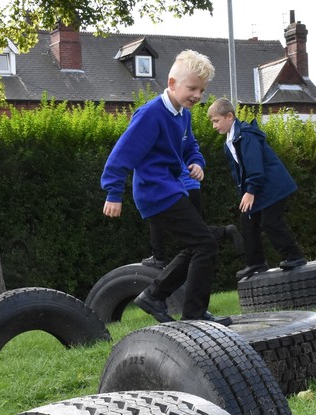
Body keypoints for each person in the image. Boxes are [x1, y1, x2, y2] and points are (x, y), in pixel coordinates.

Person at [101, 49, 231, 326]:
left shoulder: (182, 114)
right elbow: (122, 154)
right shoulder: (151, 114)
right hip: (155, 192)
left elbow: (189, 146)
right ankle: (194, 313)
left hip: (171, 189)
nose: (197, 95)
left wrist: (196, 162)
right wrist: (113, 192)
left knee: (196, 244)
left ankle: (153, 296)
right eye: (192, 88)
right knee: (205, 243)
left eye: (202, 90)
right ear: (172, 83)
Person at [207, 98, 307, 279]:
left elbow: (255, 165)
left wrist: (251, 190)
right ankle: (256, 263)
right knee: (247, 220)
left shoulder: (246, 136)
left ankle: (295, 256)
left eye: (216, 121)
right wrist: (244, 192)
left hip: (273, 187)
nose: (214, 126)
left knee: (270, 221)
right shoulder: (229, 142)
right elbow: (239, 172)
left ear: (229, 116)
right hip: (261, 188)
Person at [142, 168, 243, 270]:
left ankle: (159, 257)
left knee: (155, 216)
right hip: (194, 187)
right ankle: (225, 231)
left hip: (179, 189)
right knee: (198, 233)